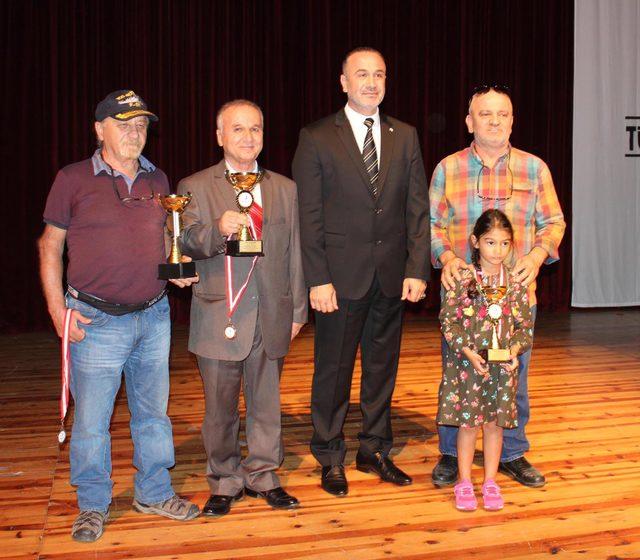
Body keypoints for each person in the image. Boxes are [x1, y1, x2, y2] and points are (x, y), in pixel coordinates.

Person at [38, 90, 200, 543]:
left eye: (141, 125)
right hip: (95, 320)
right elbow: (50, 247)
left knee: (153, 416)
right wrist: (58, 313)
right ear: (99, 129)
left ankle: (154, 491)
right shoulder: (72, 178)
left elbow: (168, 241)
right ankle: (92, 503)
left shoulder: (158, 179)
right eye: (124, 123)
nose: (134, 132)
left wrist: (178, 272)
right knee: (92, 421)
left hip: (153, 317)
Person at [292, 47, 430, 496]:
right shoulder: (316, 137)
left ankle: (374, 450)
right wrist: (317, 279)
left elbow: (417, 209)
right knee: (332, 371)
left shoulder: (404, 135)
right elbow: (307, 216)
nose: (371, 82)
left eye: (379, 75)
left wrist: (417, 268)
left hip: (391, 276)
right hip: (338, 280)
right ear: (343, 81)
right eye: (362, 74)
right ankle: (330, 455)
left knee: (381, 369)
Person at [429, 84, 566, 489]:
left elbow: (554, 222)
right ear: (469, 121)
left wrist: (537, 256)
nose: (493, 121)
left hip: (516, 299)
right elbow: (431, 224)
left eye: (502, 114)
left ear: (512, 120)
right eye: (484, 114)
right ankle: (454, 454)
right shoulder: (448, 168)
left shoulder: (534, 168)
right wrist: (448, 258)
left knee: (513, 373)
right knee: (458, 374)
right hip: (464, 300)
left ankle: (512, 452)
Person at [177, 100, 307, 516]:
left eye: (255, 129)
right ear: (219, 136)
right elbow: (185, 243)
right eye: (238, 129)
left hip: (272, 313)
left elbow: (295, 255)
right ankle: (225, 479)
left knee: (267, 404)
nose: (248, 137)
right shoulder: (194, 186)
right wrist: (217, 229)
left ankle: (264, 475)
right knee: (219, 409)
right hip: (220, 314)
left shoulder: (285, 189)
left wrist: (298, 312)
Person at [437, 209, 533, 511]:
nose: (498, 251)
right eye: (491, 243)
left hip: (502, 371)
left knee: (494, 426)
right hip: (468, 368)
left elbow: (524, 329)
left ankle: (490, 481)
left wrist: (514, 353)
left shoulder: (516, 284)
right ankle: (464, 482)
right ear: (475, 242)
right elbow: (447, 321)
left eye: (505, 244)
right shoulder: (464, 280)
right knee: (468, 426)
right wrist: (467, 351)